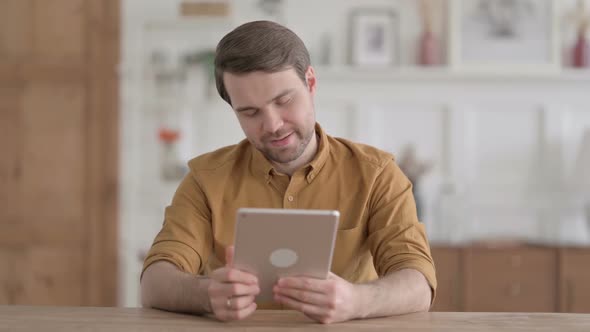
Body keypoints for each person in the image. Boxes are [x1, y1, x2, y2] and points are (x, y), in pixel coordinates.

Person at [140, 20, 437, 324]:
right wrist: (205, 293)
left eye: (283, 101)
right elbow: (154, 282)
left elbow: (418, 284)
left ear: (310, 82)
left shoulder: (378, 175)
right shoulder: (205, 180)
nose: (272, 125)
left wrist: (355, 300)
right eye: (250, 112)